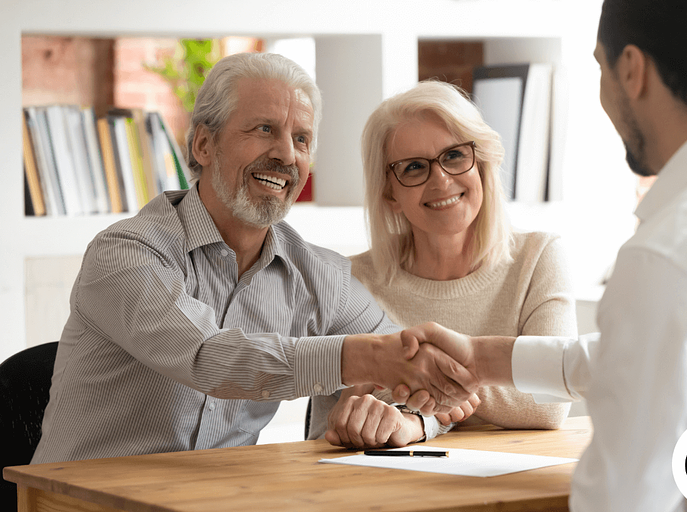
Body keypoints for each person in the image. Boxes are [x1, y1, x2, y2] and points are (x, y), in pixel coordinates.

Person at [400, 1, 687, 511]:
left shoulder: (669, 257)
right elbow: (662, 350)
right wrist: (482, 358)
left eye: (600, 67)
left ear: (632, 69)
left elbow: (622, 500)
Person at [31, 52, 478, 464]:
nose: (286, 154)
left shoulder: (321, 277)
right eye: (264, 129)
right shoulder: (125, 254)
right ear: (204, 146)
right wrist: (369, 358)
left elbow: (421, 377)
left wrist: (412, 418)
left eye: (301, 138)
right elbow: (208, 356)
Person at [307, 80, 578, 448]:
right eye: (415, 167)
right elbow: (328, 428)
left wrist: (419, 407)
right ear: (389, 192)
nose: (441, 180)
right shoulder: (346, 282)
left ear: (481, 162)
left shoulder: (539, 258)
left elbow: (549, 401)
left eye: (453, 156)